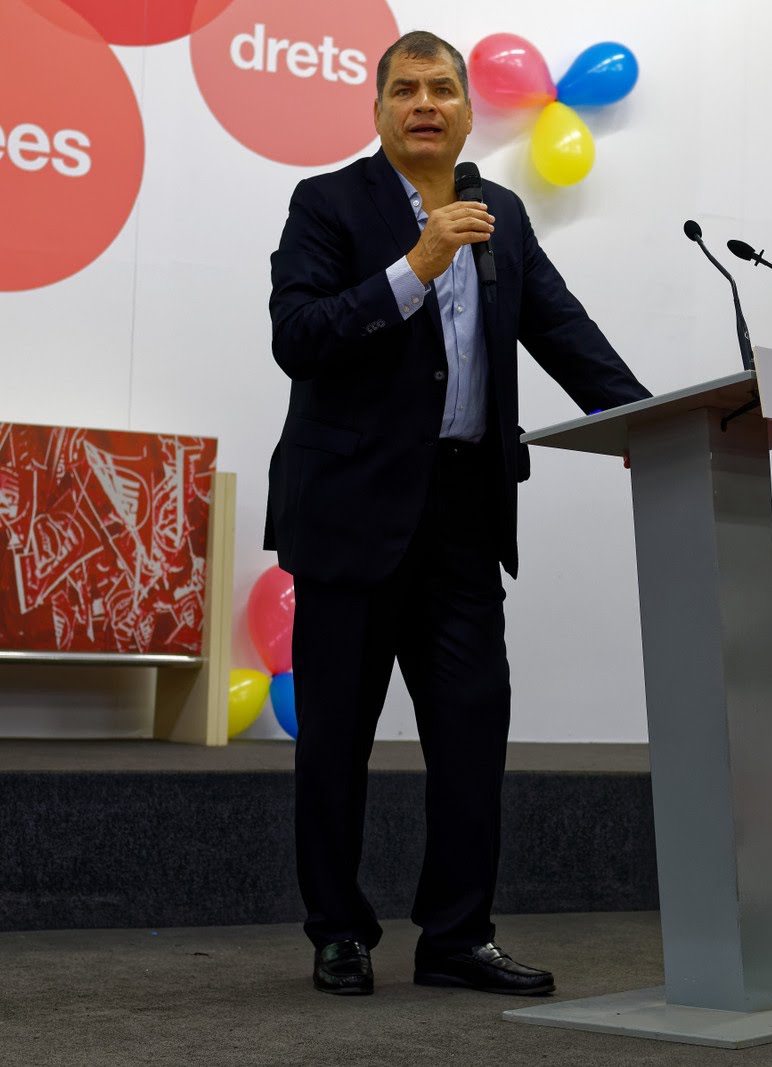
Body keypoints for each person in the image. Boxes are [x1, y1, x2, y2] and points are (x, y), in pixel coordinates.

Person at [266, 30, 649, 996]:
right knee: (337, 741)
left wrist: (653, 421)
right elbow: (298, 337)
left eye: (443, 88)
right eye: (406, 90)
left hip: (464, 518)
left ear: (471, 111)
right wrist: (416, 264)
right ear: (381, 112)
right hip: (351, 517)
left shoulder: (503, 214)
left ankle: (456, 936)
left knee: (473, 737)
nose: (425, 103)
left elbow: (565, 330)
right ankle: (339, 932)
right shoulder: (329, 203)